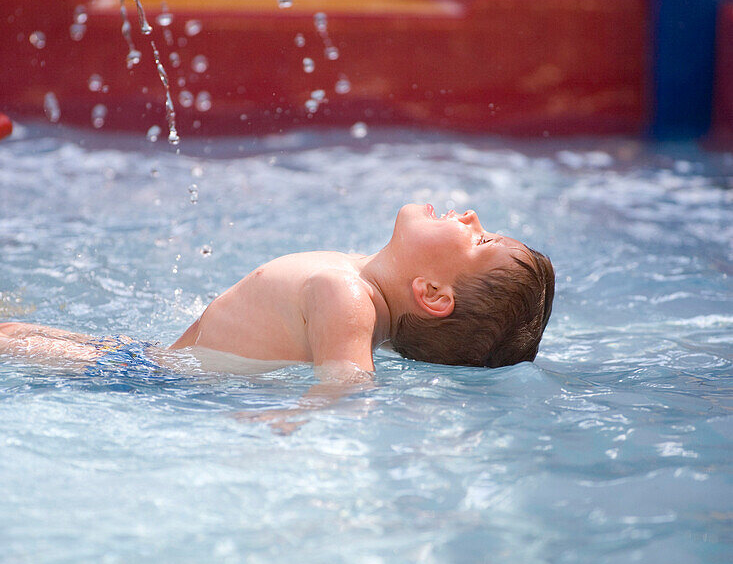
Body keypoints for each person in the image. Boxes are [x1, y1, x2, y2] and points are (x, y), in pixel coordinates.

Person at [0, 204, 554, 388]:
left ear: (432, 293)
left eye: (479, 239)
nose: (472, 216)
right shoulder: (356, 281)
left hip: (158, 381)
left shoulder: (349, 297)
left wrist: (295, 423)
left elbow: (348, 382)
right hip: (155, 362)